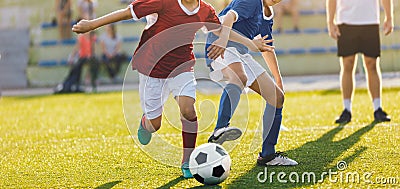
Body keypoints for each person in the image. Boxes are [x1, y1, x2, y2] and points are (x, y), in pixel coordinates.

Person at [72, 0, 272, 178]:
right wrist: (91, 25)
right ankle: (146, 122)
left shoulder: (205, 10)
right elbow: (126, 12)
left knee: (188, 110)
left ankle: (187, 162)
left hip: (182, 67)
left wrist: (250, 44)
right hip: (152, 69)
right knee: (154, 124)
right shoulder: (162, 3)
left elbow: (221, 30)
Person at [205, 0, 298, 166]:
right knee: (239, 78)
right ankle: (220, 129)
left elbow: (265, 46)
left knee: (277, 98)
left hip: (240, 52)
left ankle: (268, 155)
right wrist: (239, 42)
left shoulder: (268, 14)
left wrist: (278, 78)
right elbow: (227, 19)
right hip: (221, 44)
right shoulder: (251, 1)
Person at [327, 0, 393, 124]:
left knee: (372, 64)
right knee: (347, 64)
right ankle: (346, 109)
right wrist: (330, 21)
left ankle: (377, 108)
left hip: (370, 21)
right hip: (345, 22)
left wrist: (389, 17)